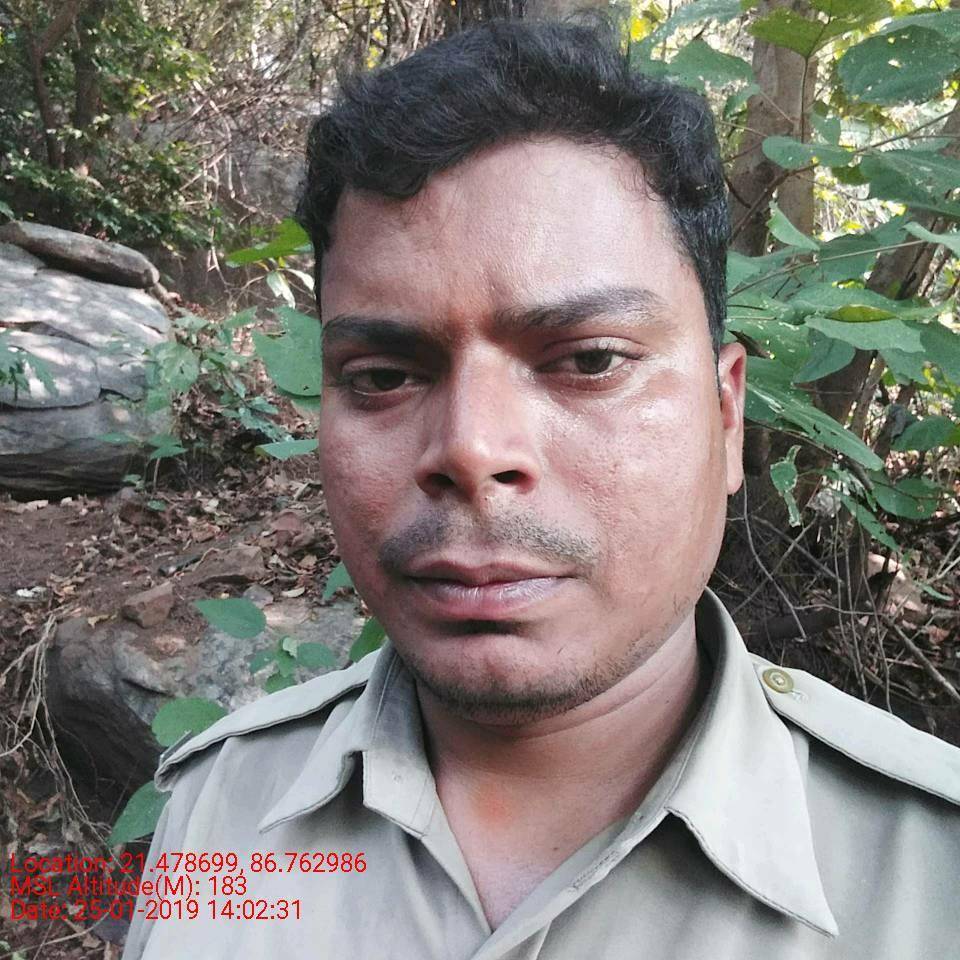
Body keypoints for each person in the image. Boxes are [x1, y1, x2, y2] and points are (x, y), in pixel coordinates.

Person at [122, 19, 959, 960]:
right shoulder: (218, 807)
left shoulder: (933, 871)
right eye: (384, 376)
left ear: (726, 416)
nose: (470, 448)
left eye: (591, 360)